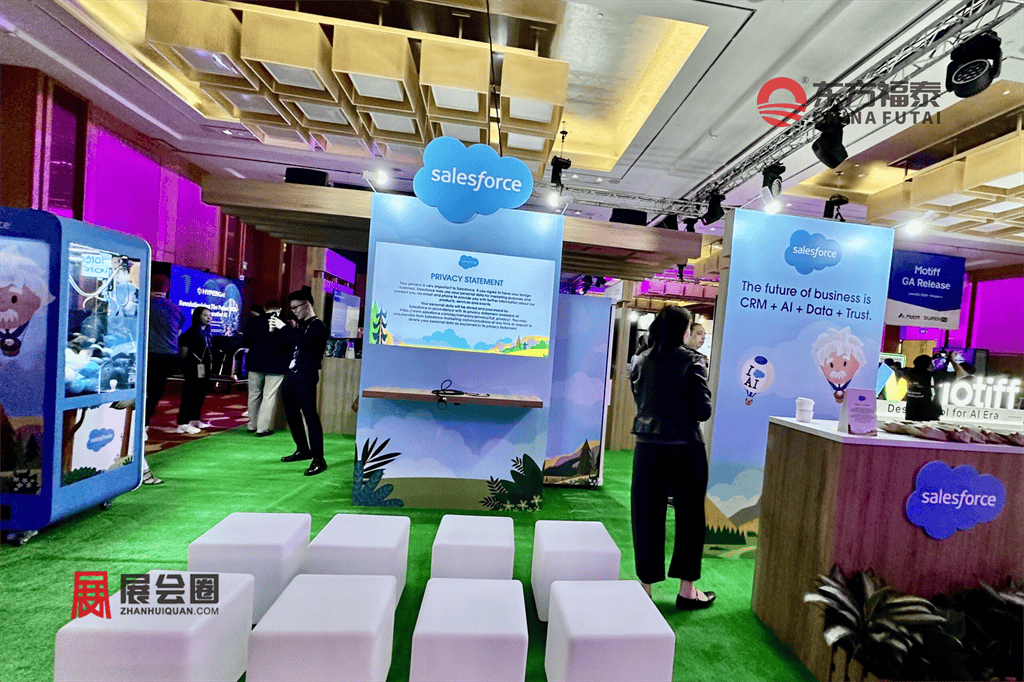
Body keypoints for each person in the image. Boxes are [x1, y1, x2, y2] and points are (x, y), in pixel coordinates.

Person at [630, 306, 715, 610]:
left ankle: (645, 589)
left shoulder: (640, 360)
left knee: (645, 516)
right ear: (684, 330)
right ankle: (687, 591)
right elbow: (703, 411)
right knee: (690, 518)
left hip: (647, 447)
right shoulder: (693, 361)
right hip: (685, 447)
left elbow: (640, 401)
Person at [272, 288, 328, 476]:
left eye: (296, 307)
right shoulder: (300, 326)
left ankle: (319, 459)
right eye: (292, 308)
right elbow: (289, 345)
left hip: (306, 375)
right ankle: (303, 449)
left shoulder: (318, 326)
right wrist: (281, 331)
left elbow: (305, 343)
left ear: (307, 305)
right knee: (292, 414)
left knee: (310, 416)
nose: (294, 311)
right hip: (292, 374)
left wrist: (285, 328)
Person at [242, 300, 289, 436]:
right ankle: (262, 428)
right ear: (279, 310)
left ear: (264, 308)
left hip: (255, 363)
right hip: (276, 365)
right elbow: (288, 344)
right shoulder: (283, 324)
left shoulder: (253, 322)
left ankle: (252, 425)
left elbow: (246, 341)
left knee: (254, 395)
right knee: (269, 396)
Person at [897, 351, 967, 421]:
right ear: (929, 365)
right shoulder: (934, 376)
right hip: (929, 415)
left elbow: (898, 370)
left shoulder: (908, 374)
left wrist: (932, 358)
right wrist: (952, 360)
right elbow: (961, 374)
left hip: (911, 413)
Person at [176, 307, 213, 434]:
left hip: (205, 368)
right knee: (190, 394)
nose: (209, 317)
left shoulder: (207, 332)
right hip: (193, 367)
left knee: (200, 394)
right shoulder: (191, 332)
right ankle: (183, 422)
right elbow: (184, 351)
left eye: (210, 315)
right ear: (198, 316)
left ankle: (194, 419)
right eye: (205, 315)